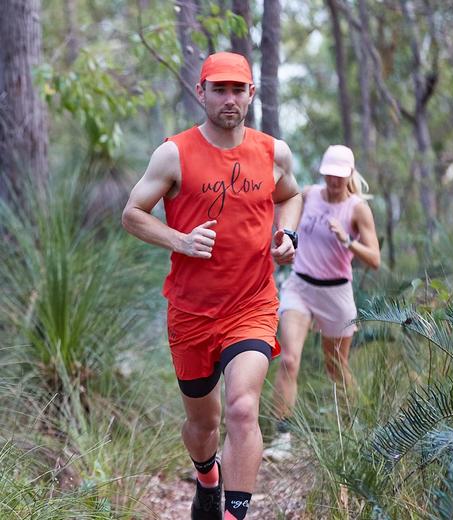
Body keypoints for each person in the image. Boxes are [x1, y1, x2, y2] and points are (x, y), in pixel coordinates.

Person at [122, 51, 302, 520]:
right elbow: (132, 214)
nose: (229, 98)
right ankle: (207, 475)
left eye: (237, 89)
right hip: (192, 312)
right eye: (218, 89)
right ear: (200, 92)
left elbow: (292, 194)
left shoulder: (272, 151)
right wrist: (179, 239)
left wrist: (289, 236)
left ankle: (232, 515)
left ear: (251, 95)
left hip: (253, 305)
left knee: (243, 410)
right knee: (204, 426)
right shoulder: (174, 153)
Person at [263, 144, 380, 462]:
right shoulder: (309, 194)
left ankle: (355, 433)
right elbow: (288, 226)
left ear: (350, 176)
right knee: (289, 360)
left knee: (337, 367)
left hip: (336, 293)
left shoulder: (357, 209)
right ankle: (282, 437)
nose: (333, 182)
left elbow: (375, 259)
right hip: (300, 287)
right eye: (329, 175)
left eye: (339, 177)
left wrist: (348, 240)